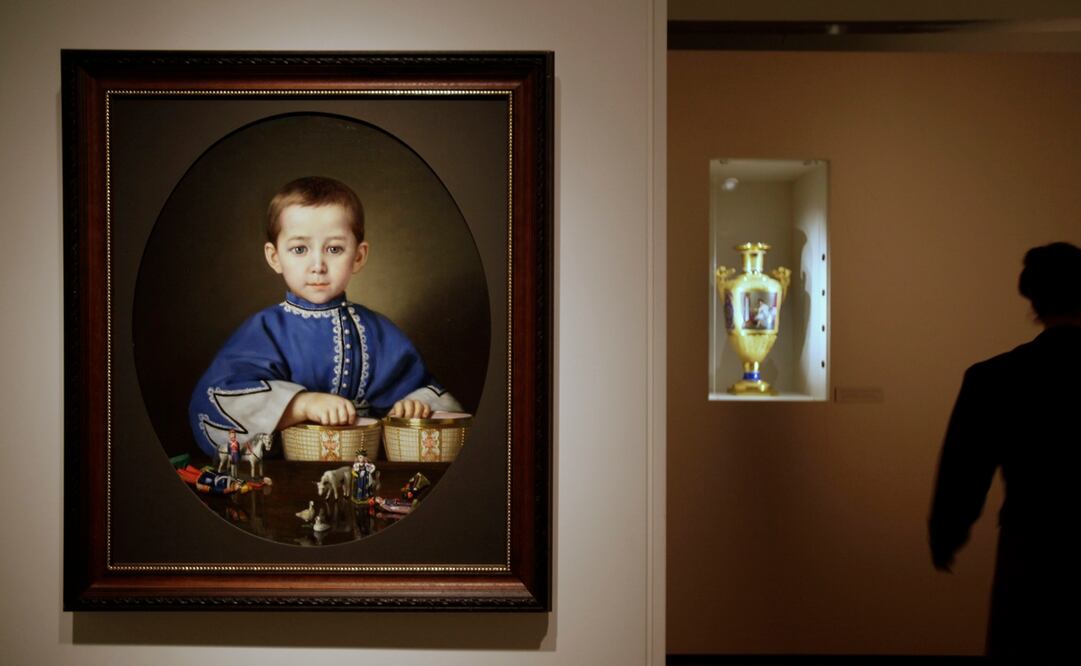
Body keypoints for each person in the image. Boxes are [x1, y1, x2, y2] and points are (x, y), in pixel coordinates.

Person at [189, 176, 460, 456]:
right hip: (284, 471)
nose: (317, 265)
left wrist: (414, 405)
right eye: (299, 249)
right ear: (274, 257)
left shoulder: (377, 331)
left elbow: (428, 392)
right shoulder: (265, 330)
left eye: (334, 249)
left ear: (359, 256)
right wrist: (301, 405)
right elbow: (217, 398)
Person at [929, 241, 1081, 659]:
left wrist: (946, 534)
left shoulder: (995, 377)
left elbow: (965, 467)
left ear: (1032, 298)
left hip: (1032, 545)